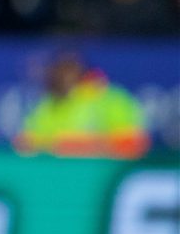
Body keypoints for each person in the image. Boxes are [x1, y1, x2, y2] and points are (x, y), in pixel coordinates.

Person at [13, 53, 150, 159]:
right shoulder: (47, 106)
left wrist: (94, 147)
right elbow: (25, 143)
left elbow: (136, 142)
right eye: (58, 72)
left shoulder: (109, 99)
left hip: (101, 176)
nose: (62, 78)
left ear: (82, 73)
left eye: (69, 70)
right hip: (61, 177)